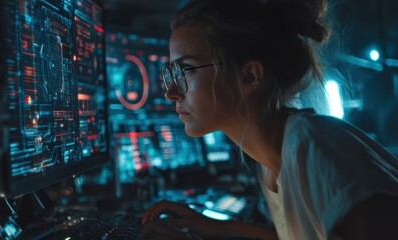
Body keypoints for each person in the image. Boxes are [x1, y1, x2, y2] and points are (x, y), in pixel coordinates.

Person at [140, 0, 398, 239]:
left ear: (249, 76)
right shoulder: (274, 160)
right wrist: (219, 227)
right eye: (171, 72)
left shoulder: (311, 147)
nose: (171, 92)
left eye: (186, 70)